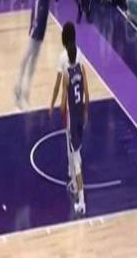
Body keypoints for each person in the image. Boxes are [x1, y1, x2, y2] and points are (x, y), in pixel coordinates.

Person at [60, 27, 89, 215]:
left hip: (72, 117)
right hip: (81, 114)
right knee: (77, 153)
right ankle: (77, 188)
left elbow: (63, 104)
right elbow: (87, 92)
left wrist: (62, 114)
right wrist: (86, 111)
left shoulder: (66, 75)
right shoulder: (82, 68)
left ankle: (81, 201)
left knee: (76, 160)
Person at [50, 22, 79, 192]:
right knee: (77, 142)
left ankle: (74, 178)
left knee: (70, 143)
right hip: (79, 103)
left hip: (69, 106)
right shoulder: (79, 54)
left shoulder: (63, 57)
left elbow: (58, 85)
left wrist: (53, 103)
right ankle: (74, 170)